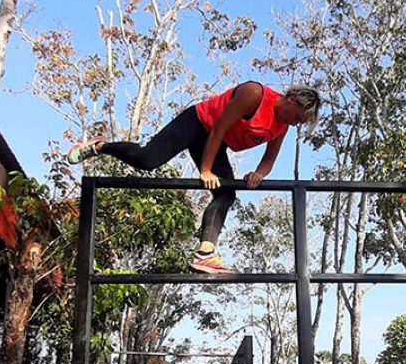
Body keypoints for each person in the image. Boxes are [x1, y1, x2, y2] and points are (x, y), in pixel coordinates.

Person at [67, 81, 321, 274]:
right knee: (147, 161)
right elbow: (219, 127)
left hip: (216, 143)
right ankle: (100, 146)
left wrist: (258, 174)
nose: (295, 123)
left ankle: (205, 253)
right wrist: (206, 170)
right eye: (297, 117)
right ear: (292, 99)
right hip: (197, 124)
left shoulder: (281, 126)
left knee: (226, 194)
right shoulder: (255, 94)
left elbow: (269, 159)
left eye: (300, 123)